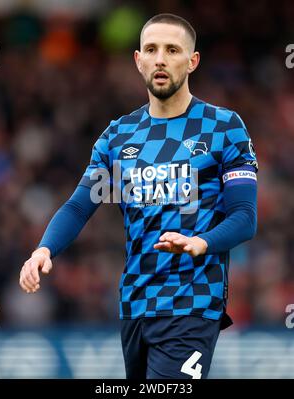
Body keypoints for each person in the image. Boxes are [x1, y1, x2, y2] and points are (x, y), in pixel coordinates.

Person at [19, 13, 258, 379]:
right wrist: (44, 249)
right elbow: (80, 205)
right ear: (138, 60)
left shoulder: (223, 128)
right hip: (135, 306)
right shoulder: (119, 136)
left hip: (192, 306)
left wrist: (200, 243)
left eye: (172, 50)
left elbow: (244, 218)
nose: (160, 58)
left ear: (192, 61)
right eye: (151, 49)